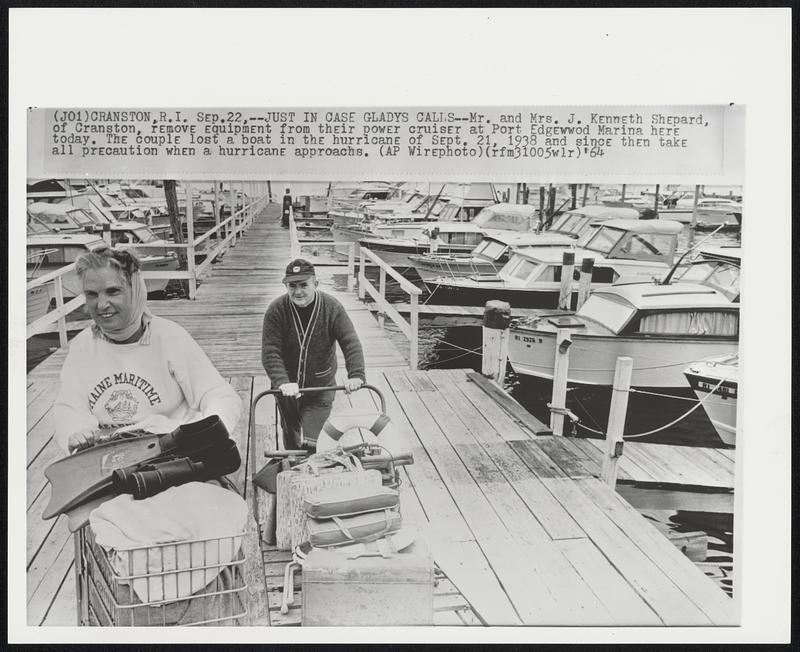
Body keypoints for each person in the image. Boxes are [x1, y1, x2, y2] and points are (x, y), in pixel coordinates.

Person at [53, 246, 241, 454]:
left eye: (113, 291)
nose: (102, 304)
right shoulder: (82, 347)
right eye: (92, 294)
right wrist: (75, 432)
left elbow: (218, 395)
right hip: (109, 455)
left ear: (135, 290)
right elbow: (68, 408)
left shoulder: (170, 337)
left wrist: (208, 432)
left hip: (171, 450)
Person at [262, 258, 365, 450]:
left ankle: (314, 472)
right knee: (290, 437)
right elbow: (270, 351)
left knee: (313, 444)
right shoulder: (276, 310)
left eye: (303, 285)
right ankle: (292, 468)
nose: (298, 291)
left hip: (319, 389)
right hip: (286, 389)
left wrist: (356, 375)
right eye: (292, 286)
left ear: (315, 284)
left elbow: (350, 341)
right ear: (286, 286)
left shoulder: (332, 307)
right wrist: (282, 381)